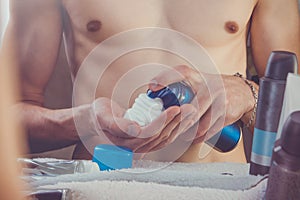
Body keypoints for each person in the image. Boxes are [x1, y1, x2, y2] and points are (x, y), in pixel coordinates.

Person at [2, 0, 299, 163]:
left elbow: (296, 109)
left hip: (222, 189)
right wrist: (84, 120)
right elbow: (8, 120)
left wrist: (249, 94)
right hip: (102, 188)